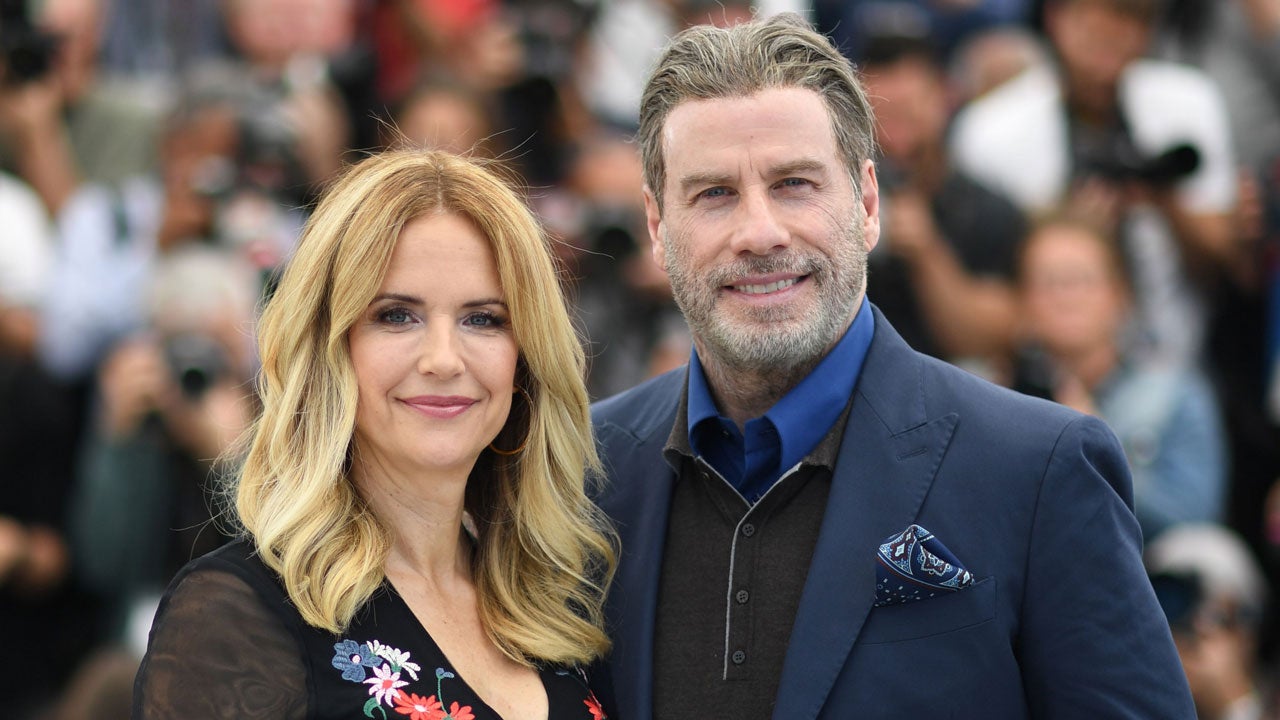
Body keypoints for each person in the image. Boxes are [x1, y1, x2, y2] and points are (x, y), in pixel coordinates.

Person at [589, 13, 1194, 718]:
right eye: (714, 193)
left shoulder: (1038, 470)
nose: (759, 232)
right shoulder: (584, 470)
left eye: (794, 184)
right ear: (658, 229)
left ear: (869, 204)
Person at [133, 149, 615, 719]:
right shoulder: (234, 614)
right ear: (331, 349)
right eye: (396, 315)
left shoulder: (556, 604)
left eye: (483, 319)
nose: (443, 359)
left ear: (525, 361)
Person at [1013, 215, 1228, 541]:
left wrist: (1102, 457)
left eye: (1080, 279)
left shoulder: (1176, 395)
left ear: (1120, 294)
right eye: (1048, 281)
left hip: (1146, 577)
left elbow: (1192, 517)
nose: (1065, 296)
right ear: (1024, 302)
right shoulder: (998, 401)